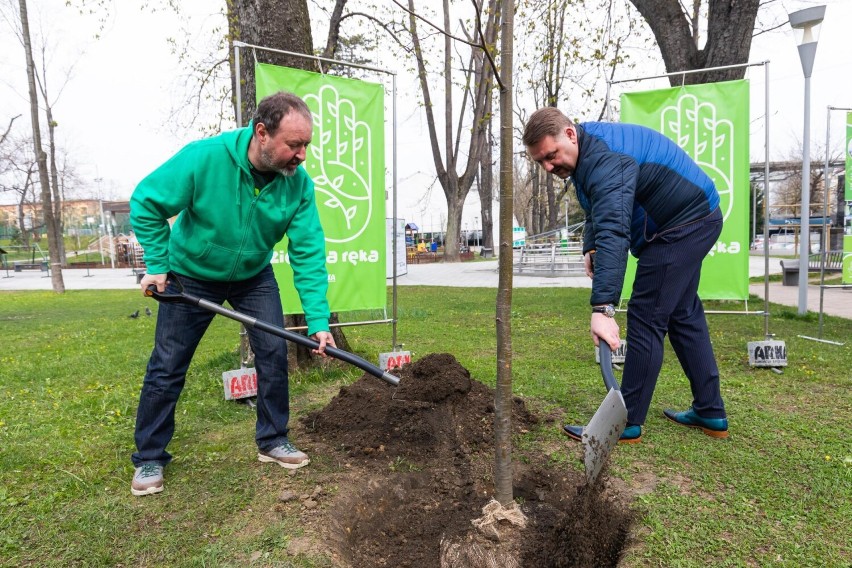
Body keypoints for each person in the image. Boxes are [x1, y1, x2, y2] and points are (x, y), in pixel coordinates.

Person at [129, 91, 336, 496]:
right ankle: (150, 456)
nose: (302, 155)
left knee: (274, 352)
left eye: (306, 145)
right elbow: (146, 201)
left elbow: (308, 251)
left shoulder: (298, 186)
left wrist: (318, 321)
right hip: (191, 273)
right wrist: (157, 265)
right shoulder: (205, 158)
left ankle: (273, 439)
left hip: (252, 276)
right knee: (168, 365)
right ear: (262, 133)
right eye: (294, 145)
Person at [523, 107, 728, 445]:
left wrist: (603, 308)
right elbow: (595, 208)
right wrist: (591, 248)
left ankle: (626, 421)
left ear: (570, 134)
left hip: (682, 224)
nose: (548, 167)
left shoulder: (607, 160)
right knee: (683, 313)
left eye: (551, 155)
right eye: (541, 162)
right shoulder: (587, 155)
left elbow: (615, 230)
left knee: (647, 314)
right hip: (691, 218)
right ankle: (710, 411)